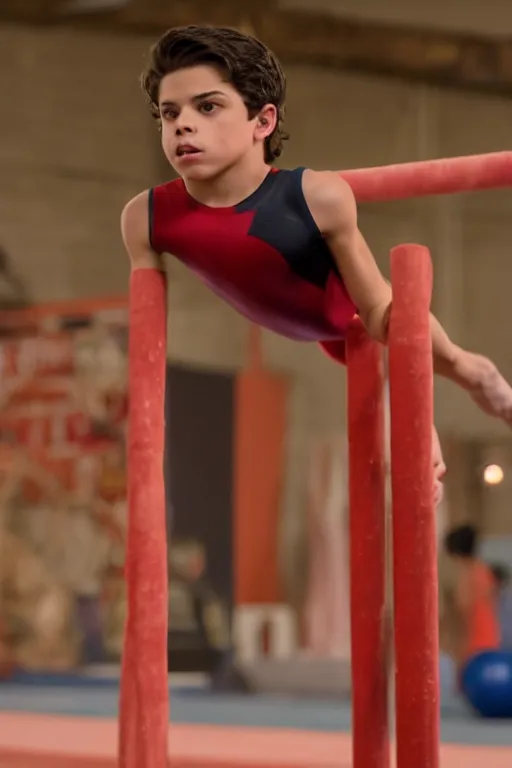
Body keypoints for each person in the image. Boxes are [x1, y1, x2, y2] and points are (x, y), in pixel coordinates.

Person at [121, 25, 512, 501]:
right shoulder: (147, 216)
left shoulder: (316, 197)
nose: (183, 124)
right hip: (319, 333)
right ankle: (419, 401)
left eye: (207, 106)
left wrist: (415, 405)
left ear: (262, 121)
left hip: (354, 317)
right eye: (169, 112)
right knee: (382, 398)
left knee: (447, 361)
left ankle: (481, 375)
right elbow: (145, 332)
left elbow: (376, 310)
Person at [442, 524, 500, 668]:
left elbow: (464, 608)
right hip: (489, 635)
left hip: (475, 640)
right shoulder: (483, 570)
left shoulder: (469, 574)